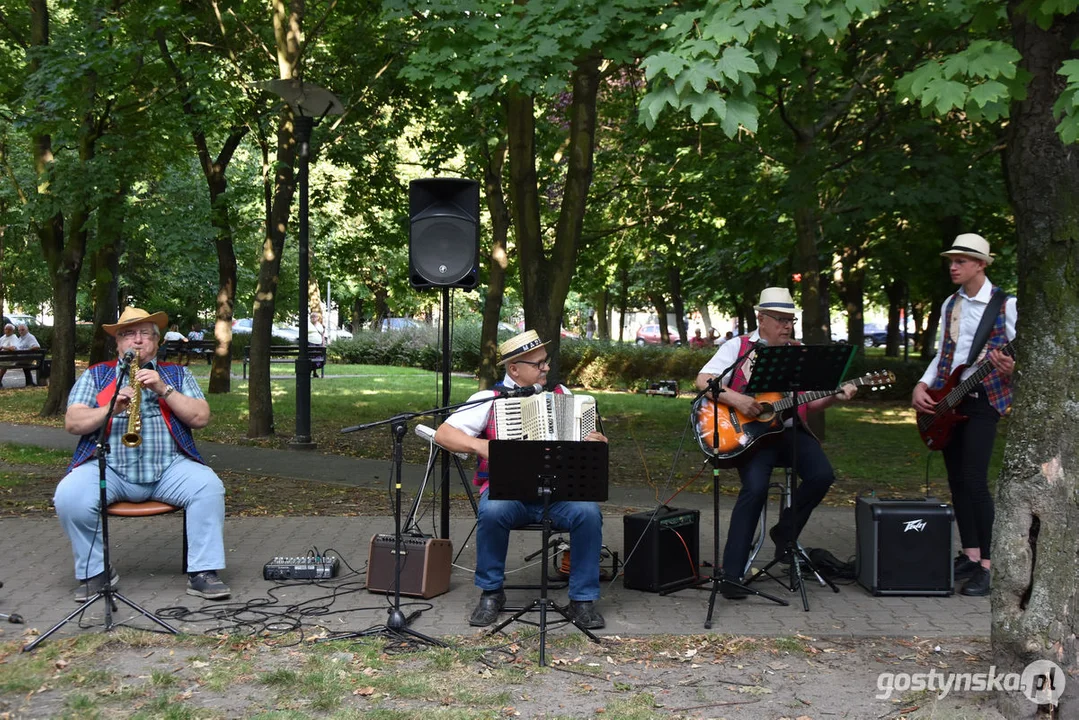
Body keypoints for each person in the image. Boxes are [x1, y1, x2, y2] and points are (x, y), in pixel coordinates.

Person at [53, 307, 230, 602]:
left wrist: (164, 389)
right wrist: (111, 407)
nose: (137, 341)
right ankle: (95, 573)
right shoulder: (97, 375)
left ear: (156, 342)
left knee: (208, 487)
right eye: (128, 335)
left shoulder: (176, 373)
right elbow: (73, 423)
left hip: (168, 468)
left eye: (145, 334)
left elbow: (200, 418)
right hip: (108, 468)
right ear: (118, 343)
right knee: (69, 496)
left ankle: (203, 572)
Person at [434, 330, 608, 629]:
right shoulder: (488, 399)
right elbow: (443, 434)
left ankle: (582, 599)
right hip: (508, 492)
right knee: (492, 512)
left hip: (560, 493)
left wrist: (597, 443)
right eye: (538, 364)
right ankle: (491, 593)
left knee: (588, 513)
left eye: (546, 362)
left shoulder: (562, 396)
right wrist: (480, 445)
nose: (546, 368)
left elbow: (584, 445)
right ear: (514, 369)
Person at [695, 287, 857, 599]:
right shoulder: (738, 346)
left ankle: (785, 531)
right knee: (754, 490)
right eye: (781, 320)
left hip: (790, 433)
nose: (787, 326)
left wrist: (836, 396)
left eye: (790, 320)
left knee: (822, 475)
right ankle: (731, 575)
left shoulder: (799, 351)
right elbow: (704, 381)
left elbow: (812, 402)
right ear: (762, 319)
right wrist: (738, 400)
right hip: (753, 437)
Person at [912, 233, 1016, 597]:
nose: (953, 266)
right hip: (950, 398)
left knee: (974, 479)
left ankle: (989, 564)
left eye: (962, 261)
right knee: (956, 480)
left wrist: (1009, 368)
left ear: (981, 265)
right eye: (952, 260)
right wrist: (921, 386)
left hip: (984, 400)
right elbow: (944, 354)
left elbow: (1024, 359)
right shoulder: (950, 304)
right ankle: (970, 554)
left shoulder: (1006, 305)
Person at [309, 310, 327, 378]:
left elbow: (322, 335)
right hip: (310, 343)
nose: (313, 318)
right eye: (312, 317)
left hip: (318, 344)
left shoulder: (320, 325)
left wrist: (323, 344)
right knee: (310, 358)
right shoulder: (308, 324)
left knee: (317, 358)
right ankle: (309, 372)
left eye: (315, 317)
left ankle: (315, 372)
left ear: (317, 318)